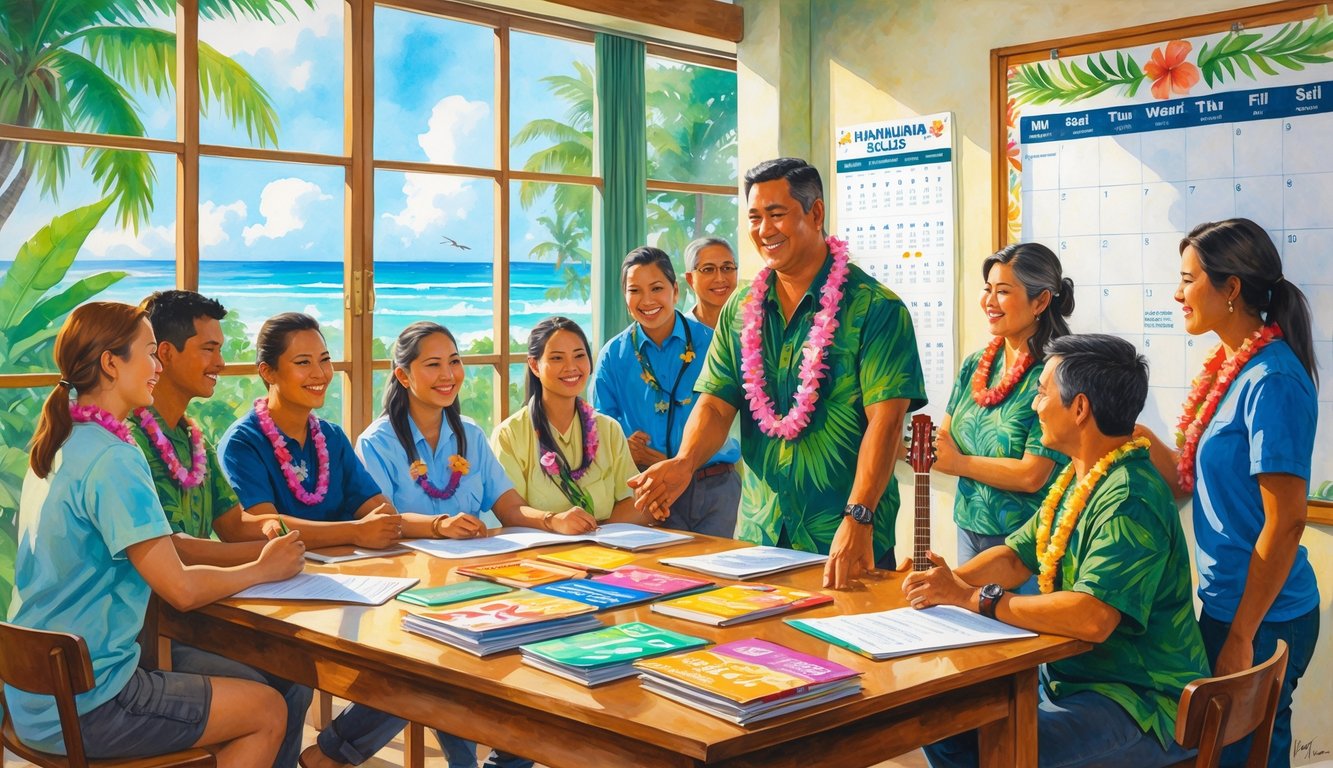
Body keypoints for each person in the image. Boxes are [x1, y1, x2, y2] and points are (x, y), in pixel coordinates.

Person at [5, 302, 304, 766]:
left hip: (32, 697)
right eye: (149, 354)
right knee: (268, 709)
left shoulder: (59, 441)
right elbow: (180, 588)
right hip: (90, 704)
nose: (157, 367)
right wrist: (262, 568)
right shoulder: (114, 458)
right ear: (110, 363)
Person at [905, 334, 1209, 768]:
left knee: (1000, 748)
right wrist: (948, 581)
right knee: (946, 726)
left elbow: (1092, 616)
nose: (1034, 406)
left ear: (1080, 408)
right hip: (1076, 683)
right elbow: (1014, 557)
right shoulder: (1077, 476)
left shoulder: (1129, 496)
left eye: (1043, 394)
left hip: (1141, 703)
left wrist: (975, 599)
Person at [630, 157, 926, 588]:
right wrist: (684, 462)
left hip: (843, 535)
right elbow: (715, 402)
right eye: (754, 217)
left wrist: (858, 515)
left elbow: (886, 422)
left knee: (842, 654)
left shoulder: (875, 308)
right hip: (758, 533)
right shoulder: (739, 307)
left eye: (776, 214)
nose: (764, 230)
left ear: (816, 212)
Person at [299, 322, 549, 768]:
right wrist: (438, 524)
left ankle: (338, 752)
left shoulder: (471, 433)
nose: (448, 374)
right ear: (403, 375)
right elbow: (381, 521)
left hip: (480, 581)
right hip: (409, 588)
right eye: (432, 364)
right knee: (437, 671)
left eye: (454, 361)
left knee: (525, 652)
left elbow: (511, 508)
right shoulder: (377, 442)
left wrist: (553, 519)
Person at [1137, 218, 1320, 768]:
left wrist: (1241, 635)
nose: (1177, 293)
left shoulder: (1273, 381)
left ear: (1231, 288)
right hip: (1226, 604)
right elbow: (1187, 482)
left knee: (1246, 756)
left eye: (1188, 279)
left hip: (1265, 615)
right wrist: (1136, 436)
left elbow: (1285, 522)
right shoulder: (1229, 366)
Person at [132, 290, 313, 768]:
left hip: (196, 618)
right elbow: (171, 551)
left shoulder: (194, 436)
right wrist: (261, 565)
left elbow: (234, 525)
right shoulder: (128, 441)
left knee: (294, 674)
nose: (222, 362)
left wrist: (277, 531)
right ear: (164, 354)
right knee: (272, 688)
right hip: (145, 640)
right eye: (208, 349)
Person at [932, 244, 1072, 586]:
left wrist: (960, 464)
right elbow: (943, 441)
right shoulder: (975, 364)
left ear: (1040, 301)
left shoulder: (1057, 371)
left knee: (1018, 636)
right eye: (987, 289)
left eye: (1003, 292)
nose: (989, 302)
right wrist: (948, 457)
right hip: (968, 526)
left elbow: (1032, 474)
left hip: (1027, 542)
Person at [592, 247, 741, 537]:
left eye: (657, 288)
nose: (647, 300)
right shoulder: (613, 355)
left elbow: (734, 410)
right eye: (635, 290)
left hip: (715, 488)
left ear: (675, 291)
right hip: (651, 492)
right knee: (660, 579)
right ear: (625, 298)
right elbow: (599, 426)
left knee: (719, 576)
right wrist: (625, 442)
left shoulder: (713, 344)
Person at [218, 312, 402, 547]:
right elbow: (267, 529)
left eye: (324, 359)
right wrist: (353, 532)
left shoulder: (332, 436)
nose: (320, 373)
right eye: (303, 362)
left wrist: (438, 525)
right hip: (281, 577)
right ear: (267, 371)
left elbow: (380, 513)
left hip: (351, 570)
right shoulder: (242, 442)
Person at [492, 317, 656, 528]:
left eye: (579, 356)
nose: (571, 367)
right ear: (534, 365)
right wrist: (555, 522)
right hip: (539, 553)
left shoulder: (608, 429)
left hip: (604, 550)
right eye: (557, 358)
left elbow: (633, 501)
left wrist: (589, 533)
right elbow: (509, 511)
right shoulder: (509, 434)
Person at [683, 237, 739, 328]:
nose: (720, 279)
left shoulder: (756, 324)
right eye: (708, 269)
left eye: (727, 268)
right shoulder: (680, 333)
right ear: (690, 279)